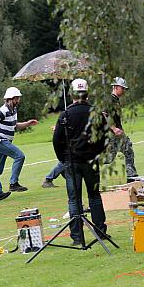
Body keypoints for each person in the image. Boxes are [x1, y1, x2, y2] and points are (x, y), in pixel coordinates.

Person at [52, 78, 109, 246]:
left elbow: (57, 140)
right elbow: (105, 137)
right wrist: (97, 153)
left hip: (72, 161)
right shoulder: (95, 112)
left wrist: (63, 159)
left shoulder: (66, 114)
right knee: (94, 196)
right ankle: (100, 231)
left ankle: (77, 236)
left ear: (72, 94)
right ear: (87, 93)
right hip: (91, 161)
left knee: (74, 200)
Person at [0, 86, 38, 194]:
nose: (18, 100)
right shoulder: (3, 110)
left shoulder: (13, 110)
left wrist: (28, 123)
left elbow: (15, 126)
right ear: (10, 99)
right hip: (0, 141)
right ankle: (13, 183)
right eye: (16, 98)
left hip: (1, 142)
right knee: (20, 156)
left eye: (18, 98)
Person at [105, 77, 139, 181]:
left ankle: (131, 176)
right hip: (112, 134)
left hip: (118, 133)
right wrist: (114, 128)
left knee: (128, 150)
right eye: (122, 88)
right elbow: (104, 114)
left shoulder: (116, 100)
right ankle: (84, 163)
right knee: (109, 158)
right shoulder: (109, 100)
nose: (124, 90)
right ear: (115, 87)